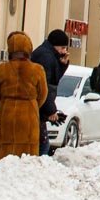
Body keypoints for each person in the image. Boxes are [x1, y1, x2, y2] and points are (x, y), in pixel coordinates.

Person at [0, 32, 48, 166]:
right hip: (29, 115)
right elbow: (43, 94)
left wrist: (6, 103)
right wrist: (32, 104)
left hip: (6, 114)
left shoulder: (2, 69)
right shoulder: (37, 69)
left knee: (3, 149)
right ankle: (25, 172)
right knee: (27, 152)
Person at [31, 29, 70, 157]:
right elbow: (45, 86)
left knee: (41, 144)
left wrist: (63, 65)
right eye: (63, 47)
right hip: (37, 107)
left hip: (39, 107)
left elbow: (53, 80)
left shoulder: (48, 55)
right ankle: (36, 170)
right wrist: (51, 110)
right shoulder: (46, 57)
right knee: (43, 146)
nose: (64, 51)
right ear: (55, 45)